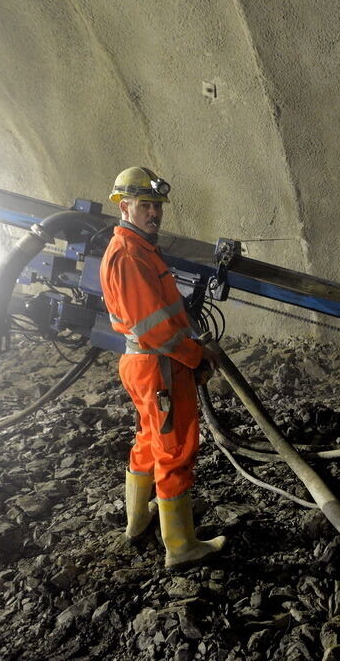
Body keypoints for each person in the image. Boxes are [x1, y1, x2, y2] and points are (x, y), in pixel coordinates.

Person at [100, 166, 226, 569]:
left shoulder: (137, 249)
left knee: (150, 442)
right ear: (124, 206)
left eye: (157, 206)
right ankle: (181, 547)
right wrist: (195, 356)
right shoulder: (130, 256)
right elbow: (153, 329)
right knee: (175, 450)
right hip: (160, 366)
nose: (154, 213)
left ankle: (137, 524)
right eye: (145, 205)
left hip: (145, 365)